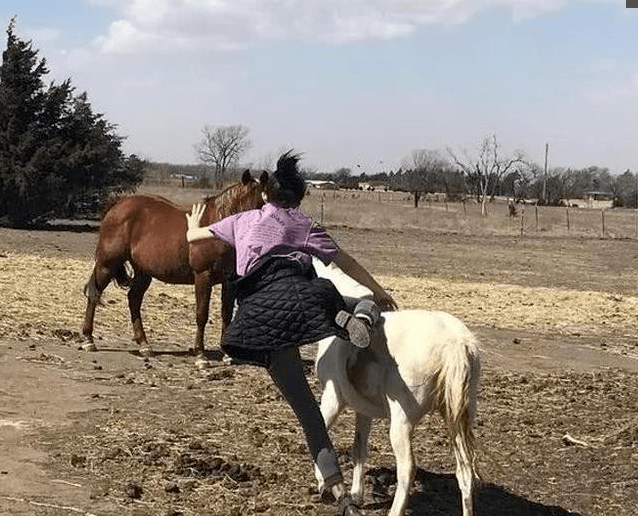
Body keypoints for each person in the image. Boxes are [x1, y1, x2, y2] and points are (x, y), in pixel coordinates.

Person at [186, 151, 397, 516]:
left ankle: (339, 492)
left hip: (257, 317)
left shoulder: (243, 219)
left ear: (267, 194)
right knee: (360, 302)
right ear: (298, 199)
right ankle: (354, 316)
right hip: (308, 298)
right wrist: (378, 290)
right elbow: (345, 262)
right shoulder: (304, 225)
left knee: (309, 414)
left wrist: (192, 222)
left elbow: (194, 237)